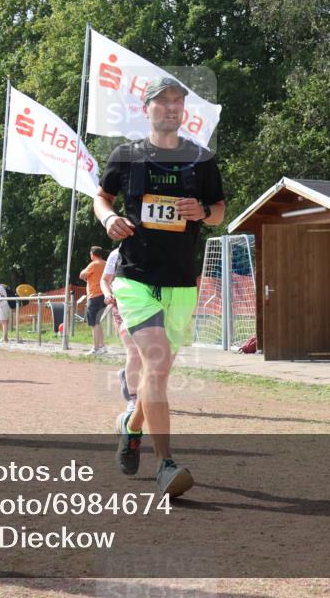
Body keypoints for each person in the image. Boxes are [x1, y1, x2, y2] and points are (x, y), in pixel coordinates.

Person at [93, 76, 225, 497]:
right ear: (146, 108)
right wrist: (108, 218)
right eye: (162, 101)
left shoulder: (201, 159)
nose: (170, 108)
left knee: (159, 371)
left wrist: (201, 210)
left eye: (177, 102)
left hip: (182, 281)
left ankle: (131, 427)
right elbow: (101, 197)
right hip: (135, 277)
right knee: (156, 362)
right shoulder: (127, 156)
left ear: (183, 111)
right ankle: (166, 464)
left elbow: (219, 211)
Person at [101, 247, 140, 416]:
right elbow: (104, 280)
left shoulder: (153, 247)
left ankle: (128, 377)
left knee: (150, 353)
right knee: (134, 351)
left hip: (148, 306)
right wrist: (108, 294)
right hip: (122, 306)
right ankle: (134, 400)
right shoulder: (116, 254)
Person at [79, 246, 108, 355]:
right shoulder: (105, 263)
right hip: (104, 295)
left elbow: (82, 275)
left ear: (92, 254)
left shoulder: (93, 264)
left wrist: (85, 274)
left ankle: (96, 348)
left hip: (94, 296)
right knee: (98, 322)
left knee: (94, 323)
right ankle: (102, 346)